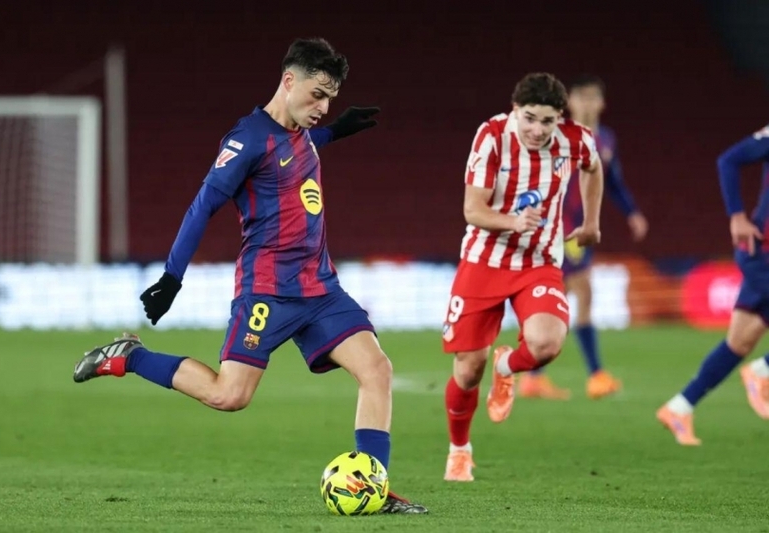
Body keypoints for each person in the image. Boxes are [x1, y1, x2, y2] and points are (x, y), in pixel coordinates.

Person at [71, 37, 427, 513]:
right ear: (288, 81)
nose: (323, 108)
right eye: (317, 95)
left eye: (330, 99)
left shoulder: (300, 132)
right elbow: (203, 205)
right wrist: (172, 278)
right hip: (268, 291)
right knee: (229, 395)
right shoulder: (247, 139)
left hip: (320, 287)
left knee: (377, 370)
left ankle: (373, 487)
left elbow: (300, 146)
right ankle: (131, 357)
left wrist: (337, 131)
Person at [441, 72, 603, 481]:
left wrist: (591, 222)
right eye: (530, 118)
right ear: (515, 110)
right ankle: (459, 449)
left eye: (547, 121)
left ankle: (506, 366)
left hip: (539, 262)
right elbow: (473, 209)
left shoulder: (575, 139)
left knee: (547, 343)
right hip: (484, 261)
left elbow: (593, 166)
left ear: (559, 118)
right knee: (468, 369)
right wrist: (513, 222)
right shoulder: (492, 136)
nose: (537, 129)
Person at [518, 75, 649, 401]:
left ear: (602, 103)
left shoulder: (605, 139)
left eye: (593, 97)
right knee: (580, 292)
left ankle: (534, 375)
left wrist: (632, 212)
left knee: (560, 297)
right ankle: (593, 375)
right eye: (581, 97)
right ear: (570, 102)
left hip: (580, 229)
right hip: (559, 228)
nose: (587, 103)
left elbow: (612, 181)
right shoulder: (557, 135)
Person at [657, 123, 769, 446]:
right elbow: (728, 160)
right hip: (762, 251)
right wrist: (737, 215)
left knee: (740, 341)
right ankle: (762, 371)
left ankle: (679, 408)